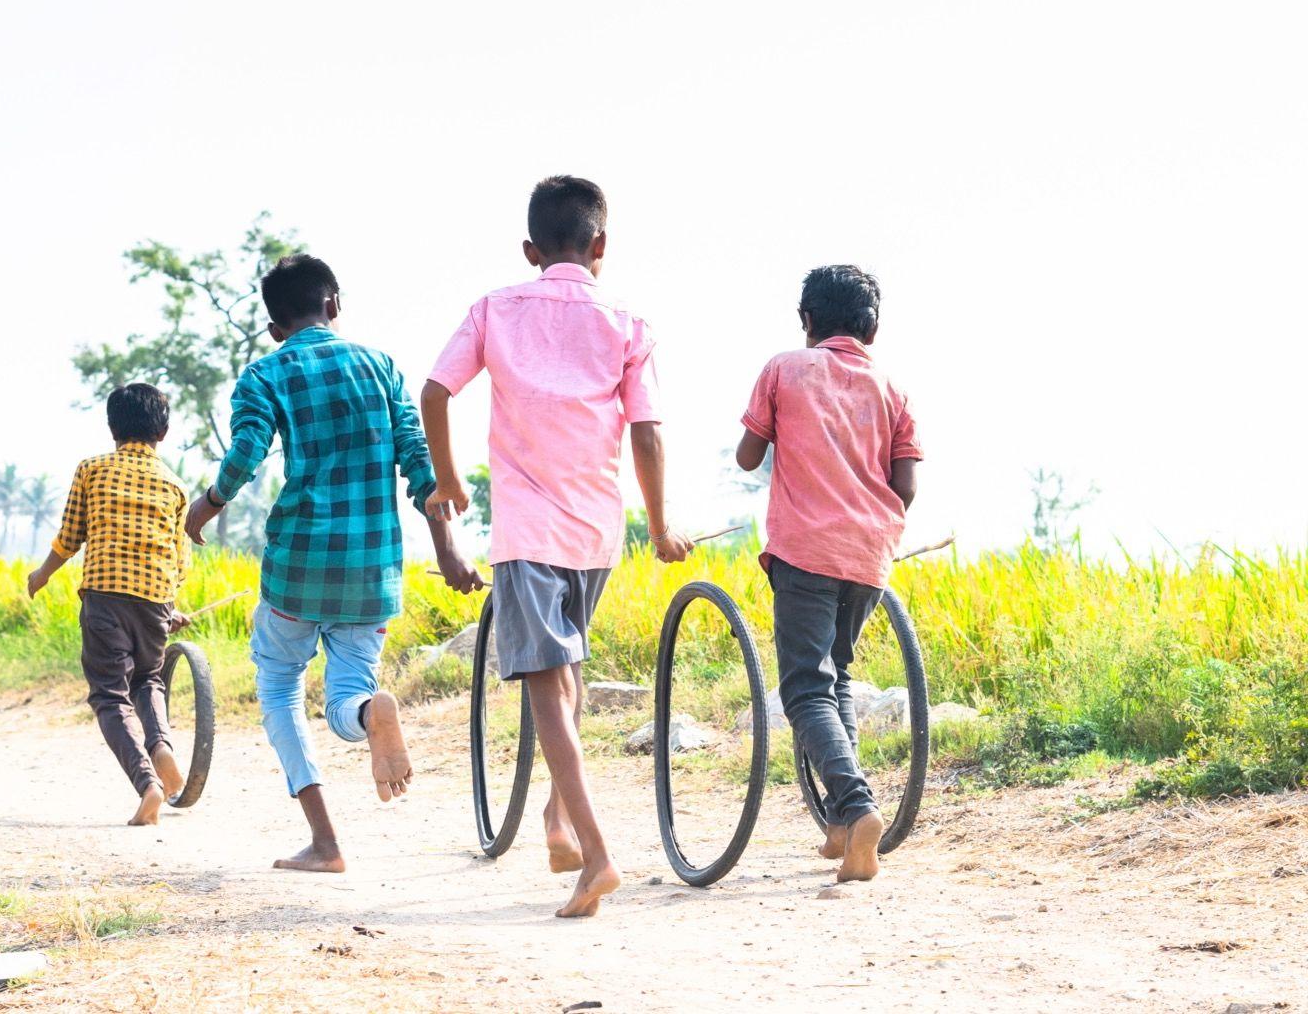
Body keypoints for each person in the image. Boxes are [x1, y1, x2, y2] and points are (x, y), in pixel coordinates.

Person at [420, 175, 692, 918]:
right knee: (564, 673)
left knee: (547, 687)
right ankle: (556, 818)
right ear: (600, 245)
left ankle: (599, 855)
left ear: (531, 249)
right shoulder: (629, 322)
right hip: (595, 531)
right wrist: (661, 526)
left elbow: (435, 392)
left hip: (528, 530)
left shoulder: (495, 307)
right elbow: (648, 433)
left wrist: (448, 480)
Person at [186, 253, 484, 874]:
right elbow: (417, 456)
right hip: (373, 567)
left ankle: (325, 842)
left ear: (275, 328)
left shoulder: (266, 372)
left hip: (299, 564)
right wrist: (447, 547)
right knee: (348, 691)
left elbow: (246, 450)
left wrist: (208, 505)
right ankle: (369, 713)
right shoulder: (379, 367)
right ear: (335, 305)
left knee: (278, 686)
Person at [735, 263, 921, 883]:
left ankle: (860, 807)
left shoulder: (786, 368)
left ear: (807, 322)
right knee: (834, 675)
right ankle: (843, 826)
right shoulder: (893, 389)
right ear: (872, 326)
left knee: (804, 689)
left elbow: (748, 455)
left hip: (805, 551)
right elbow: (905, 486)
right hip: (868, 557)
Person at [26, 383, 193, 827]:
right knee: (149, 680)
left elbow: (70, 536)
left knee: (109, 695)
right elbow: (178, 559)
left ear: (111, 427)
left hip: (104, 596)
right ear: (164, 431)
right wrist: (169, 607)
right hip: (155, 600)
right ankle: (161, 748)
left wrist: (41, 575)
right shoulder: (175, 485)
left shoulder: (92, 470)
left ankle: (148, 784)